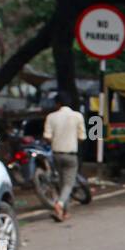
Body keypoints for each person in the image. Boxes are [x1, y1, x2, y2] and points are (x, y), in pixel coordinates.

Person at [42, 91, 86, 223]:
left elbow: (47, 137)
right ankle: (60, 204)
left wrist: (56, 141)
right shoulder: (77, 116)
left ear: (58, 103)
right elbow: (82, 137)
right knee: (68, 184)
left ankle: (64, 213)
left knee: (62, 183)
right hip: (71, 155)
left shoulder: (51, 117)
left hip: (56, 154)